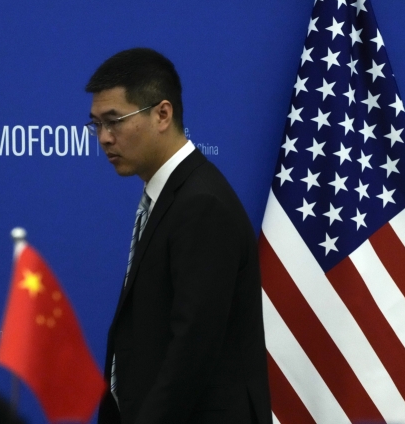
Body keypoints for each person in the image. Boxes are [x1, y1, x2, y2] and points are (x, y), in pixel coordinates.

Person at [85, 48, 271, 424]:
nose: (104, 138)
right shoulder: (170, 195)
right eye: (96, 125)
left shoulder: (201, 204)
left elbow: (193, 349)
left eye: (115, 121)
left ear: (162, 114)